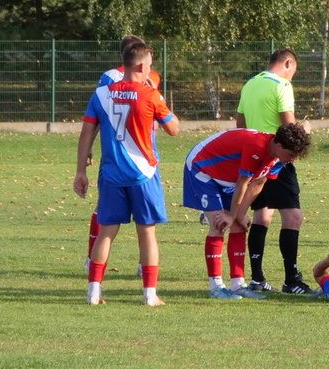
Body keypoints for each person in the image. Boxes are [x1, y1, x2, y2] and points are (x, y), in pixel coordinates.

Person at [73, 40, 179, 306]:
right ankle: (149, 295)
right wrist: (159, 97)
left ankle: (93, 292)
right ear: (141, 66)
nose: (151, 69)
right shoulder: (150, 94)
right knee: (147, 233)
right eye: (150, 65)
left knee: (106, 233)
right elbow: (174, 129)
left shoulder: (101, 94)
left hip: (111, 175)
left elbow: (86, 133)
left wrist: (80, 171)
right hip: (144, 174)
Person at [182, 125, 313, 299]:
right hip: (202, 169)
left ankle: (237, 285)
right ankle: (216, 287)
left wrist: (238, 215)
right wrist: (231, 215)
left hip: (228, 178)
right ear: (279, 146)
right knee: (219, 225)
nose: (293, 159)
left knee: (239, 227)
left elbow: (258, 183)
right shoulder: (256, 147)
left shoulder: (279, 158)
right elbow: (243, 182)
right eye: (291, 154)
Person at [233, 49, 312, 295]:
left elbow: (240, 125)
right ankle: (292, 279)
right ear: (288, 63)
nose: (292, 77)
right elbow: (289, 126)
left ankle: (257, 278)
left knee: (262, 216)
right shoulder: (281, 85)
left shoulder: (250, 84)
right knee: (293, 217)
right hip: (278, 157)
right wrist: (304, 128)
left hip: (256, 157)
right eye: (294, 71)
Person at [86, 34, 163, 273]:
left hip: (117, 154)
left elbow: (98, 116)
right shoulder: (144, 76)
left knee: (107, 217)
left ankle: (93, 267)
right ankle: (144, 270)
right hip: (139, 154)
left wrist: (88, 147)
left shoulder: (111, 77)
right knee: (145, 223)